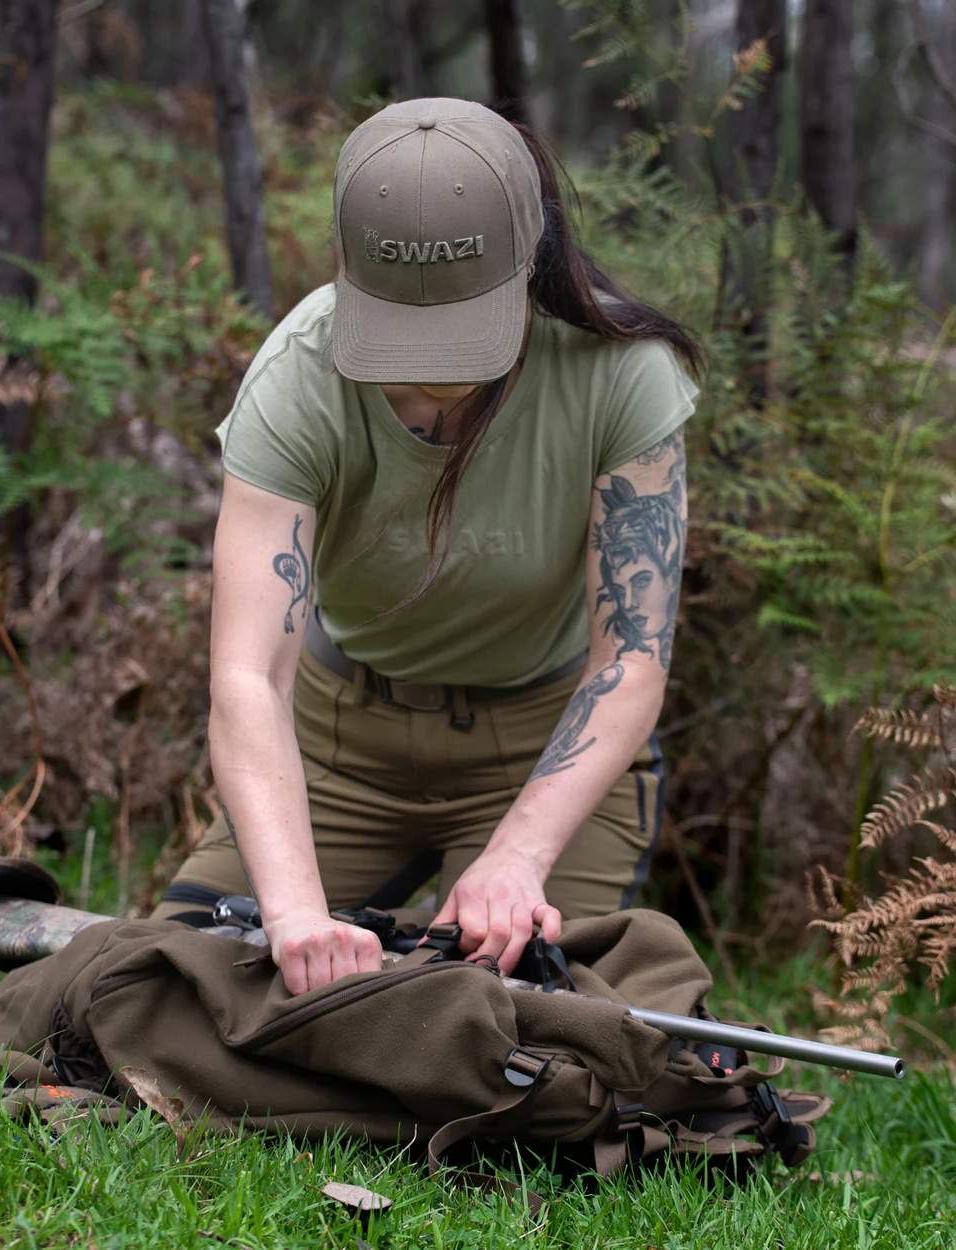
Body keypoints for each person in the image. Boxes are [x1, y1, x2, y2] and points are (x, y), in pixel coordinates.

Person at [151, 97, 705, 997]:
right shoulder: (299, 371)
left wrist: (517, 859)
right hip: (340, 742)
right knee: (186, 980)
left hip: (542, 745)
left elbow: (631, 662)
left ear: (531, 256)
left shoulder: (620, 371)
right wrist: (292, 915)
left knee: (529, 1019)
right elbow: (250, 677)